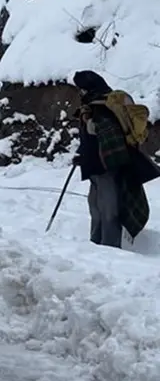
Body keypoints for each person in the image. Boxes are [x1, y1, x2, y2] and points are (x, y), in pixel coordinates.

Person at [72, 70, 158, 248]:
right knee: (95, 207)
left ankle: (109, 249)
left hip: (107, 167)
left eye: (80, 89)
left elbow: (108, 138)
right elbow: (94, 141)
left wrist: (89, 129)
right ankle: (95, 245)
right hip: (98, 167)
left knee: (108, 209)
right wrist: (83, 156)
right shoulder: (92, 107)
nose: (79, 93)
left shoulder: (102, 108)